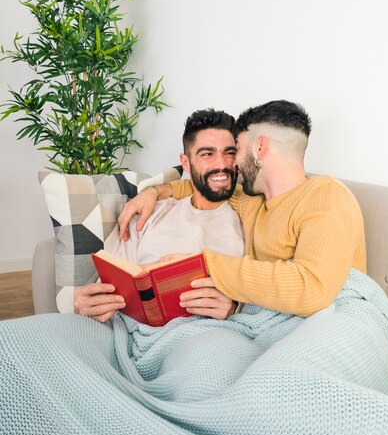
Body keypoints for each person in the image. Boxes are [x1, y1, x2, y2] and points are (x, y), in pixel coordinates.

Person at [118, 100, 366, 317]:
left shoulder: (328, 195)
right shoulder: (252, 201)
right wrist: (155, 191)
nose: (232, 162)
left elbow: (312, 290)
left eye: (236, 149)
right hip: (270, 326)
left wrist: (204, 263)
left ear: (259, 148)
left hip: (336, 321)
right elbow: (206, 184)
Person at [74, 108, 244, 322]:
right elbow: (111, 287)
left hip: (206, 335)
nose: (222, 164)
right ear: (185, 163)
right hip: (134, 331)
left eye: (229, 153)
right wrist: (93, 303)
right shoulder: (151, 213)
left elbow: (261, 292)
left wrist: (233, 309)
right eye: (207, 154)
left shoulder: (249, 218)